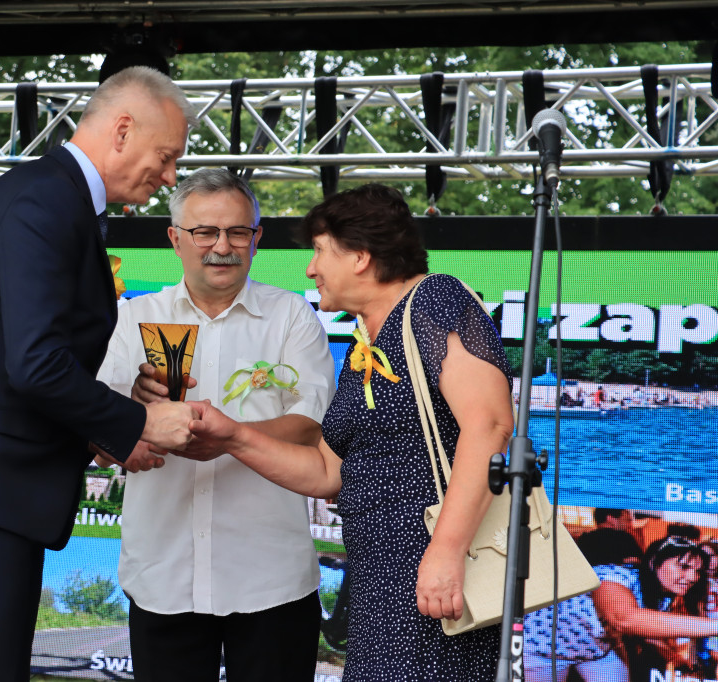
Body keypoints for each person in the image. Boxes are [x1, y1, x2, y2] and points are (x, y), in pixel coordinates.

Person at [0, 66, 201, 682]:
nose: (169, 176)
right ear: (123, 129)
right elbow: (34, 362)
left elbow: (11, 358)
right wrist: (137, 422)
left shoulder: (57, 197)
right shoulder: (46, 198)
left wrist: (100, 433)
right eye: (166, 156)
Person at [183, 183, 515, 680]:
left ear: (360, 255)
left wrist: (445, 552)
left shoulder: (433, 298)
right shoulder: (368, 346)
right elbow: (327, 470)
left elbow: (489, 424)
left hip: (437, 575)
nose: (311, 269)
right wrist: (233, 436)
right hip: (380, 583)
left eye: (319, 250)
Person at [95, 168, 336, 682]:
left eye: (237, 232)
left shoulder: (292, 316)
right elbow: (99, 443)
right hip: (163, 575)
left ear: (257, 239)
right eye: (205, 232)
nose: (221, 247)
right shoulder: (132, 319)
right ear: (175, 239)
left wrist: (231, 437)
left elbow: (312, 425)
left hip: (272, 577)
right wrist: (135, 414)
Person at [524, 535, 718, 682]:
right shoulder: (615, 576)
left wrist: (676, 659)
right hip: (545, 650)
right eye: (684, 567)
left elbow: (645, 630)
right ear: (653, 561)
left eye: (697, 571)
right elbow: (624, 619)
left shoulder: (664, 592)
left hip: (596, 651)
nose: (693, 577)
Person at [576, 507, 644, 567]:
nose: (629, 525)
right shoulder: (624, 538)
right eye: (627, 520)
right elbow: (643, 563)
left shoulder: (584, 540)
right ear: (610, 518)